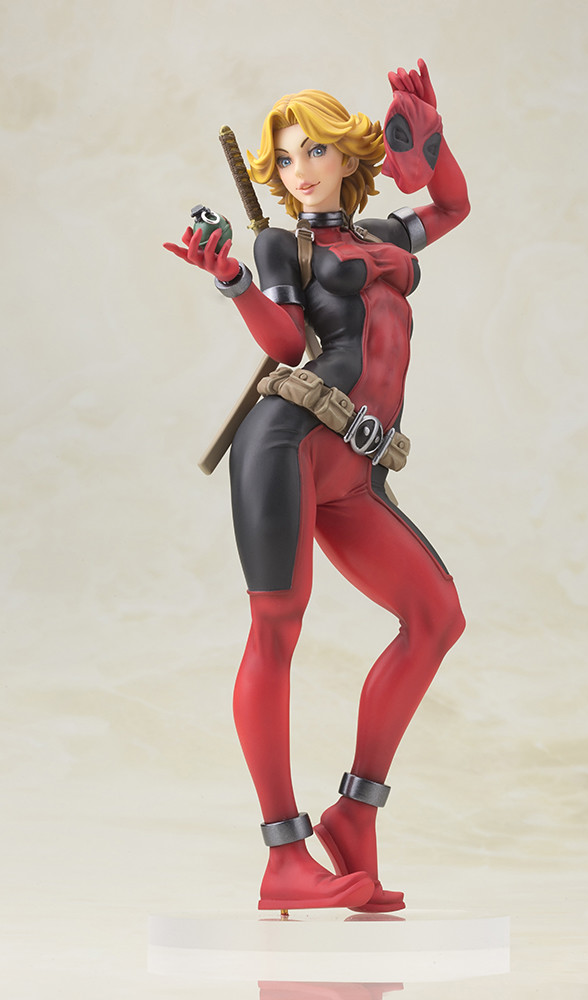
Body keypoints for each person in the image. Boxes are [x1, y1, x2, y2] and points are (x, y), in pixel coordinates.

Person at [164, 60, 470, 912]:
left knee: (435, 619)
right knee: (276, 629)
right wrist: (233, 281)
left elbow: (451, 206)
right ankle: (283, 855)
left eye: (314, 151)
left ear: (345, 153)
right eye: (285, 157)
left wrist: (430, 141)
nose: (299, 170)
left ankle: (354, 813)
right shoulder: (281, 246)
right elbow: (284, 342)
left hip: (355, 472)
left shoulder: (381, 235)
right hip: (289, 442)